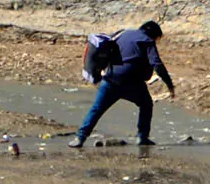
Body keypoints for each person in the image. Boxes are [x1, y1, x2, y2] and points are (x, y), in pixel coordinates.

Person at [69, 20, 174, 149]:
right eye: (158, 38)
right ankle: (142, 137)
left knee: (96, 109)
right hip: (132, 84)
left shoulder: (122, 34)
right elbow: (157, 64)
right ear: (153, 33)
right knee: (146, 105)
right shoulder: (147, 41)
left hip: (110, 80)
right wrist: (169, 84)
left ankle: (80, 138)